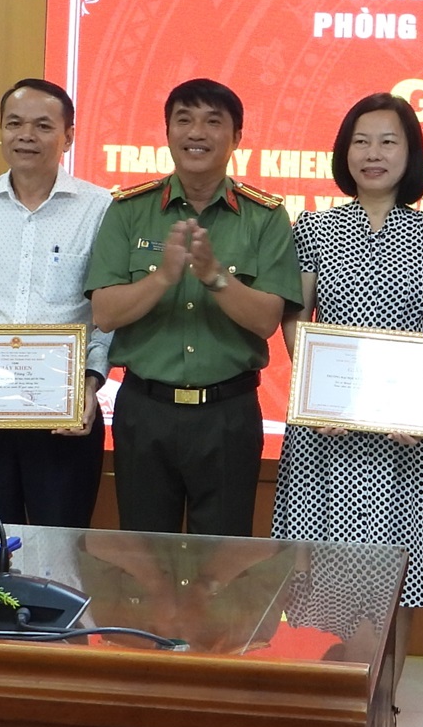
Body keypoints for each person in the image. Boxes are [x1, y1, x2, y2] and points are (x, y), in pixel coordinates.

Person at [270, 92, 423, 727]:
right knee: (318, 571)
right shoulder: (313, 228)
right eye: (361, 140)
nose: (373, 154)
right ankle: (324, 706)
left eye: (388, 141)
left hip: (406, 434)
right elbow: (295, 316)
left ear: (411, 154)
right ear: (343, 152)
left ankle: (383, 711)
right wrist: (317, 390)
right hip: (326, 431)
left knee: (398, 577)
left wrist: (413, 400)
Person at [84, 78, 302, 536]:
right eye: (184, 120)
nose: (196, 133)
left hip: (228, 414)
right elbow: (105, 313)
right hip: (145, 410)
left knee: (220, 563)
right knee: (145, 558)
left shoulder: (265, 217)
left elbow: (266, 320)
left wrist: (214, 276)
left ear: (237, 137)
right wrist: (163, 277)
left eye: (212, 122)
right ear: (167, 133)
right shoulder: (128, 210)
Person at [0, 79, 112, 528]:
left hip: (63, 414)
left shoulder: (100, 207)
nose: (26, 135)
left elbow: (106, 315)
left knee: (62, 547)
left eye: (43, 126)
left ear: (69, 136)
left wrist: (91, 383)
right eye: (14, 124)